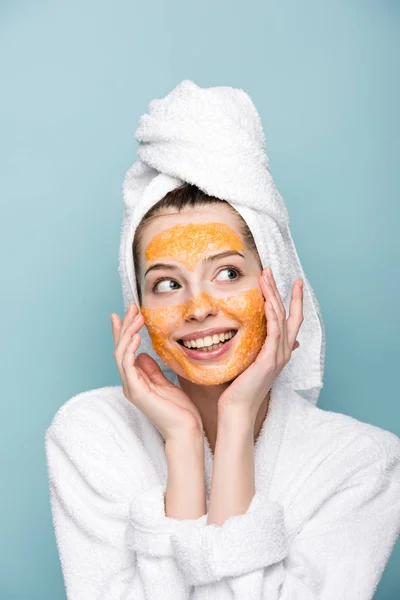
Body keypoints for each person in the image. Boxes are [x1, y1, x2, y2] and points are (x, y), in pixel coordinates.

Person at [45, 80, 400, 600]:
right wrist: (183, 446)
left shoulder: (360, 463)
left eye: (228, 273)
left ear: (273, 281)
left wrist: (234, 427)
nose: (198, 307)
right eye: (167, 284)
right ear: (138, 306)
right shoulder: (92, 437)